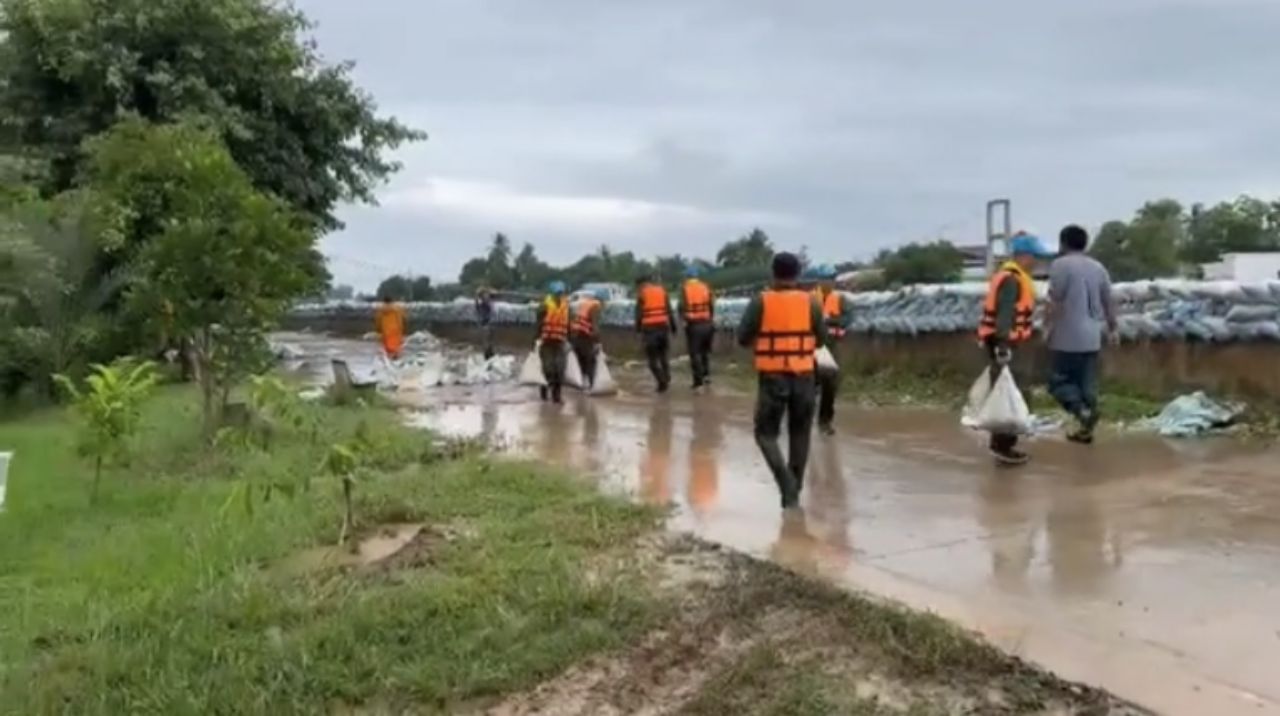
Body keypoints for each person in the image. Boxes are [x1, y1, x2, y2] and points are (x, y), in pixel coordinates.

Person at [737, 252, 828, 510]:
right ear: (798, 274)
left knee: (765, 435)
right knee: (800, 433)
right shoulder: (811, 302)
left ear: (773, 273)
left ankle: (786, 484)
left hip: (772, 377)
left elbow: (743, 338)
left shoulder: (760, 301)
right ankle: (793, 492)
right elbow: (821, 340)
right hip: (804, 376)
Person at [977, 233, 1054, 465]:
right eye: (1034, 257)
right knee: (1009, 394)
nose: (1037, 262)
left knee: (1012, 392)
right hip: (1006, 344)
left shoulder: (1015, 277)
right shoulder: (1011, 280)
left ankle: (1005, 443)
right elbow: (1005, 314)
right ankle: (1002, 445)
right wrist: (1003, 346)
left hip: (1009, 343)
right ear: (1023, 256)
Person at [1046, 224, 1117, 444]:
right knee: (1087, 386)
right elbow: (1109, 301)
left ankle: (1081, 412)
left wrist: (1046, 328)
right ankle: (1086, 429)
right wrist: (1113, 328)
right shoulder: (1099, 268)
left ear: (1063, 243)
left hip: (1066, 337)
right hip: (1092, 336)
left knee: (1058, 382)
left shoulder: (1060, 265)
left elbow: (1055, 301)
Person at [811, 264, 854, 436]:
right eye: (824, 279)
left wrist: (830, 320)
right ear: (818, 281)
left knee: (830, 385)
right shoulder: (809, 298)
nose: (827, 283)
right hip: (811, 346)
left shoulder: (840, 299)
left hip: (831, 346)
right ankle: (801, 419)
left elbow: (847, 319)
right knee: (807, 385)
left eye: (830, 279)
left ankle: (825, 422)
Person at [634, 274, 676, 392]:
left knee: (652, 361)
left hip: (650, 330)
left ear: (640, 285)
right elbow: (669, 311)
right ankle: (667, 377)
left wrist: (638, 331)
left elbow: (638, 315)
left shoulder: (642, 295)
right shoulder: (662, 291)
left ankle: (662, 382)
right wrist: (673, 328)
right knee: (663, 355)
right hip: (663, 328)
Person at [679, 265, 715, 390]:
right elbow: (711, 305)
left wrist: (683, 320)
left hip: (694, 324)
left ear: (687, 276)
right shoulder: (705, 287)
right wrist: (710, 319)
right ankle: (706, 375)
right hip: (707, 323)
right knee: (705, 352)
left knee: (695, 353)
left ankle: (698, 381)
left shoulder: (685, 289)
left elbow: (681, 307)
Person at [535, 281, 570, 403]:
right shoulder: (544, 306)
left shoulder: (566, 305)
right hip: (547, 342)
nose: (560, 295)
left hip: (560, 341)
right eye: (557, 293)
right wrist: (536, 339)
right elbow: (539, 324)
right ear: (552, 294)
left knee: (560, 368)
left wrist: (570, 340)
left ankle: (557, 396)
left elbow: (568, 323)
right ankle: (544, 390)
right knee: (548, 369)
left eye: (561, 293)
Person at [570, 288, 605, 389]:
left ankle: (581, 384)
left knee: (581, 361)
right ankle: (592, 385)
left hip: (576, 335)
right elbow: (595, 326)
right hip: (585, 337)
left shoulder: (584, 304)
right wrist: (598, 341)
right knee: (590, 361)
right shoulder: (595, 307)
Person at [374, 294, 406, 361]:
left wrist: (378, 330)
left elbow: (378, 321)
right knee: (396, 349)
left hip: (386, 332)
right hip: (395, 331)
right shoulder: (397, 309)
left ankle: (389, 360)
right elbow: (400, 320)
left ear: (384, 301)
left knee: (387, 350)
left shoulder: (381, 310)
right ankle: (396, 360)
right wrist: (402, 330)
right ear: (392, 301)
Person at [475, 287, 495, 360]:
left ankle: (489, 354)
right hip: (485, 325)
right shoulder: (482, 305)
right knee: (486, 342)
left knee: (488, 341)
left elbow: (489, 305)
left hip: (487, 324)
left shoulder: (486, 304)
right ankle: (488, 355)